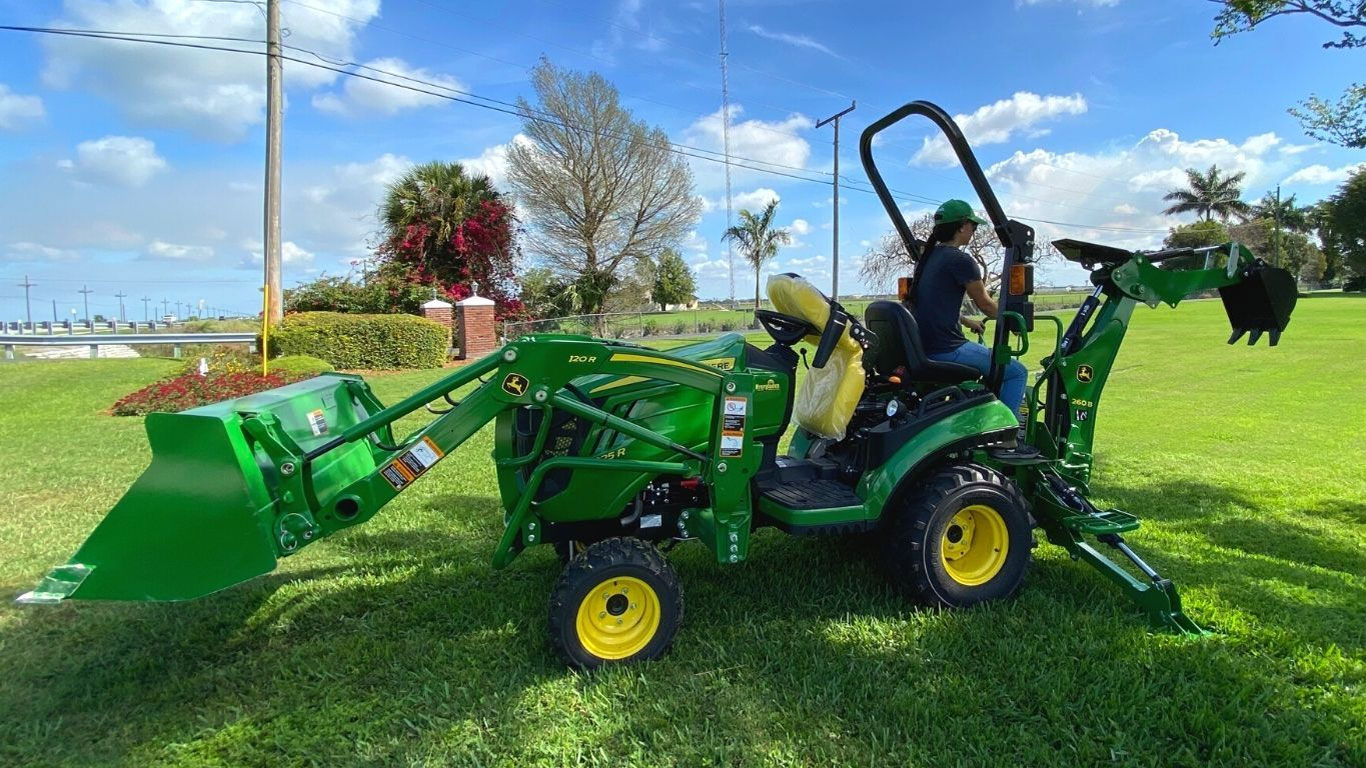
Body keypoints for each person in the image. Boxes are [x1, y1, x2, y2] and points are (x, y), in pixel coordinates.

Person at [909, 199, 1027, 422]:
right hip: (945, 348)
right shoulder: (960, 260)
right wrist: (1014, 322)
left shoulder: (926, 260)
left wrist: (965, 320)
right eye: (973, 226)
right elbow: (984, 303)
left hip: (924, 346)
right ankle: (1007, 434)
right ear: (962, 226)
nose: (974, 230)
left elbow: (929, 304)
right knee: (1016, 373)